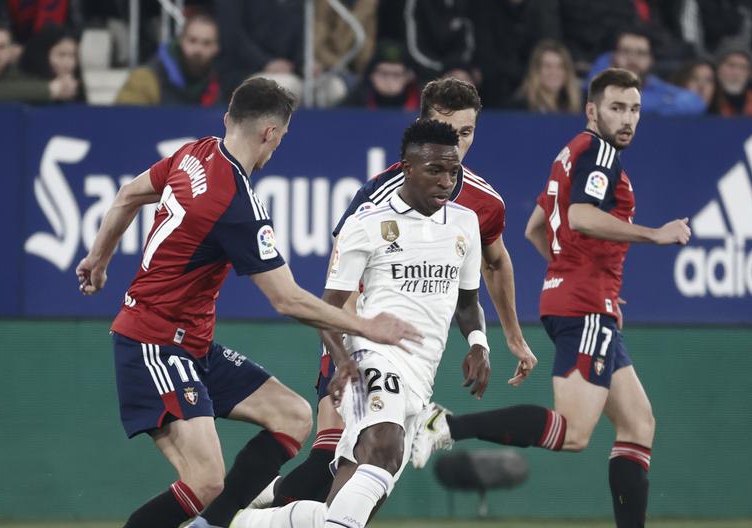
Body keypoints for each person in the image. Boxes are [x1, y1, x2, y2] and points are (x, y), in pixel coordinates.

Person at [75, 77, 420, 528]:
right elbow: (287, 299)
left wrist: (98, 258)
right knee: (205, 481)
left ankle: (213, 524)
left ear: (228, 118)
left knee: (293, 416)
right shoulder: (234, 200)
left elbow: (128, 196)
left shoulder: (195, 153)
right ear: (270, 134)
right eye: (281, 139)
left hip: (191, 345)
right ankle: (210, 518)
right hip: (155, 343)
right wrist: (367, 327)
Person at [224, 76, 537, 524]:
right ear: (421, 126)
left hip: (419, 361)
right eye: (445, 127)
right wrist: (346, 354)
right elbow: (340, 287)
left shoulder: (479, 207)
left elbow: (494, 264)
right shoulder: (375, 200)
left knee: (348, 478)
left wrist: (507, 338)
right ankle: (229, 513)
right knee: (371, 450)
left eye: (465, 133)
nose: (455, 142)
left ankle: (248, 515)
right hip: (361, 340)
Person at [410, 68, 692, 528]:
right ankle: (444, 425)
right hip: (584, 306)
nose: (627, 119)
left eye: (635, 109)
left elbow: (536, 228)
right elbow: (579, 216)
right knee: (576, 431)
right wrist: (654, 235)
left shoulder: (571, 153)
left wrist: (577, 273)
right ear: (592, 110)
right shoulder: (598, 151)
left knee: (638, 424)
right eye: (616, 108)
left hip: (581, 298)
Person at [586, 28, 706, 116]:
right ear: (613, 56)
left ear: (651, 60)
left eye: (641, 53)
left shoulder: (657, 87)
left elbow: (696, 103)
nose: (632, 59)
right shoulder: (599, 84)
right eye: (625, 51)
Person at [115, 13, 220, 106]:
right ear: (181, 41)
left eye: (206, 43)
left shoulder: (223, 84)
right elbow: (125, 122)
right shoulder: (144, 79)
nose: (198, 50)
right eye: (192, 41)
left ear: (217, 48)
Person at [505, 39, 582, 113]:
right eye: (547, 66)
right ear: (536, 70)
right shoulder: (519, 108)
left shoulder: (575, 108)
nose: (554, 72)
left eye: (560, 66)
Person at [341, 41, 420, 111]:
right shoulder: (354, 104)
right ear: (371, 76)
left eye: (396, 75)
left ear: (408, 78)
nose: (389, 80)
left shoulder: (424, 105)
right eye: (383, 73)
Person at [18, 23, 85, 103]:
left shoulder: (78, 86)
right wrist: (51, 89)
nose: (68, 62)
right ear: (43, 55)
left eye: (72, 55)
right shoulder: (21, 77)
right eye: (61, 55)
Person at [711, 47, 752, 117]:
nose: (736, 73)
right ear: (718, 69)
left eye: (743, 67)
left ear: (749, 74)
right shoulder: (707, 98)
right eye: (731, 65)